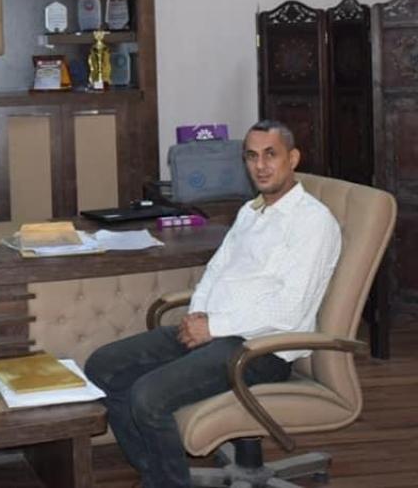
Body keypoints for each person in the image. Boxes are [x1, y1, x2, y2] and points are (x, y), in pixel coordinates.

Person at [84, 120, 342, 488]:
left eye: (271, 155)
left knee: (148, 397)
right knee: (103, 366)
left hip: (260, 349)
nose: (261, 166)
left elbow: (288, 310)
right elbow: (216, 270)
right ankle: (158, 475)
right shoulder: (251, 211)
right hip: (215, 331)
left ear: (293, 158)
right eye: (251, 156)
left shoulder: (312, 222)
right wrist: (198, 316)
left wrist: (214, 326)